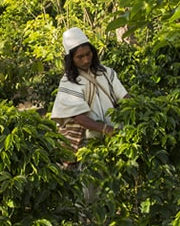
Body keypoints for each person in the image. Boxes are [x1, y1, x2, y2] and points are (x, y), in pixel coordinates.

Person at [50, 27, 128, 167]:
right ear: (71, 59)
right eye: (80, 57)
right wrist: (107, 129)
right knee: (92, 182)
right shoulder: (69, 82)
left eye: (88, 54)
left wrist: (138, 108)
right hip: (89, 144)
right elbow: (79, 117)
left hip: (116, 138)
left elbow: (123, 96)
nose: (86, 60)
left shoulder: (106, 73)